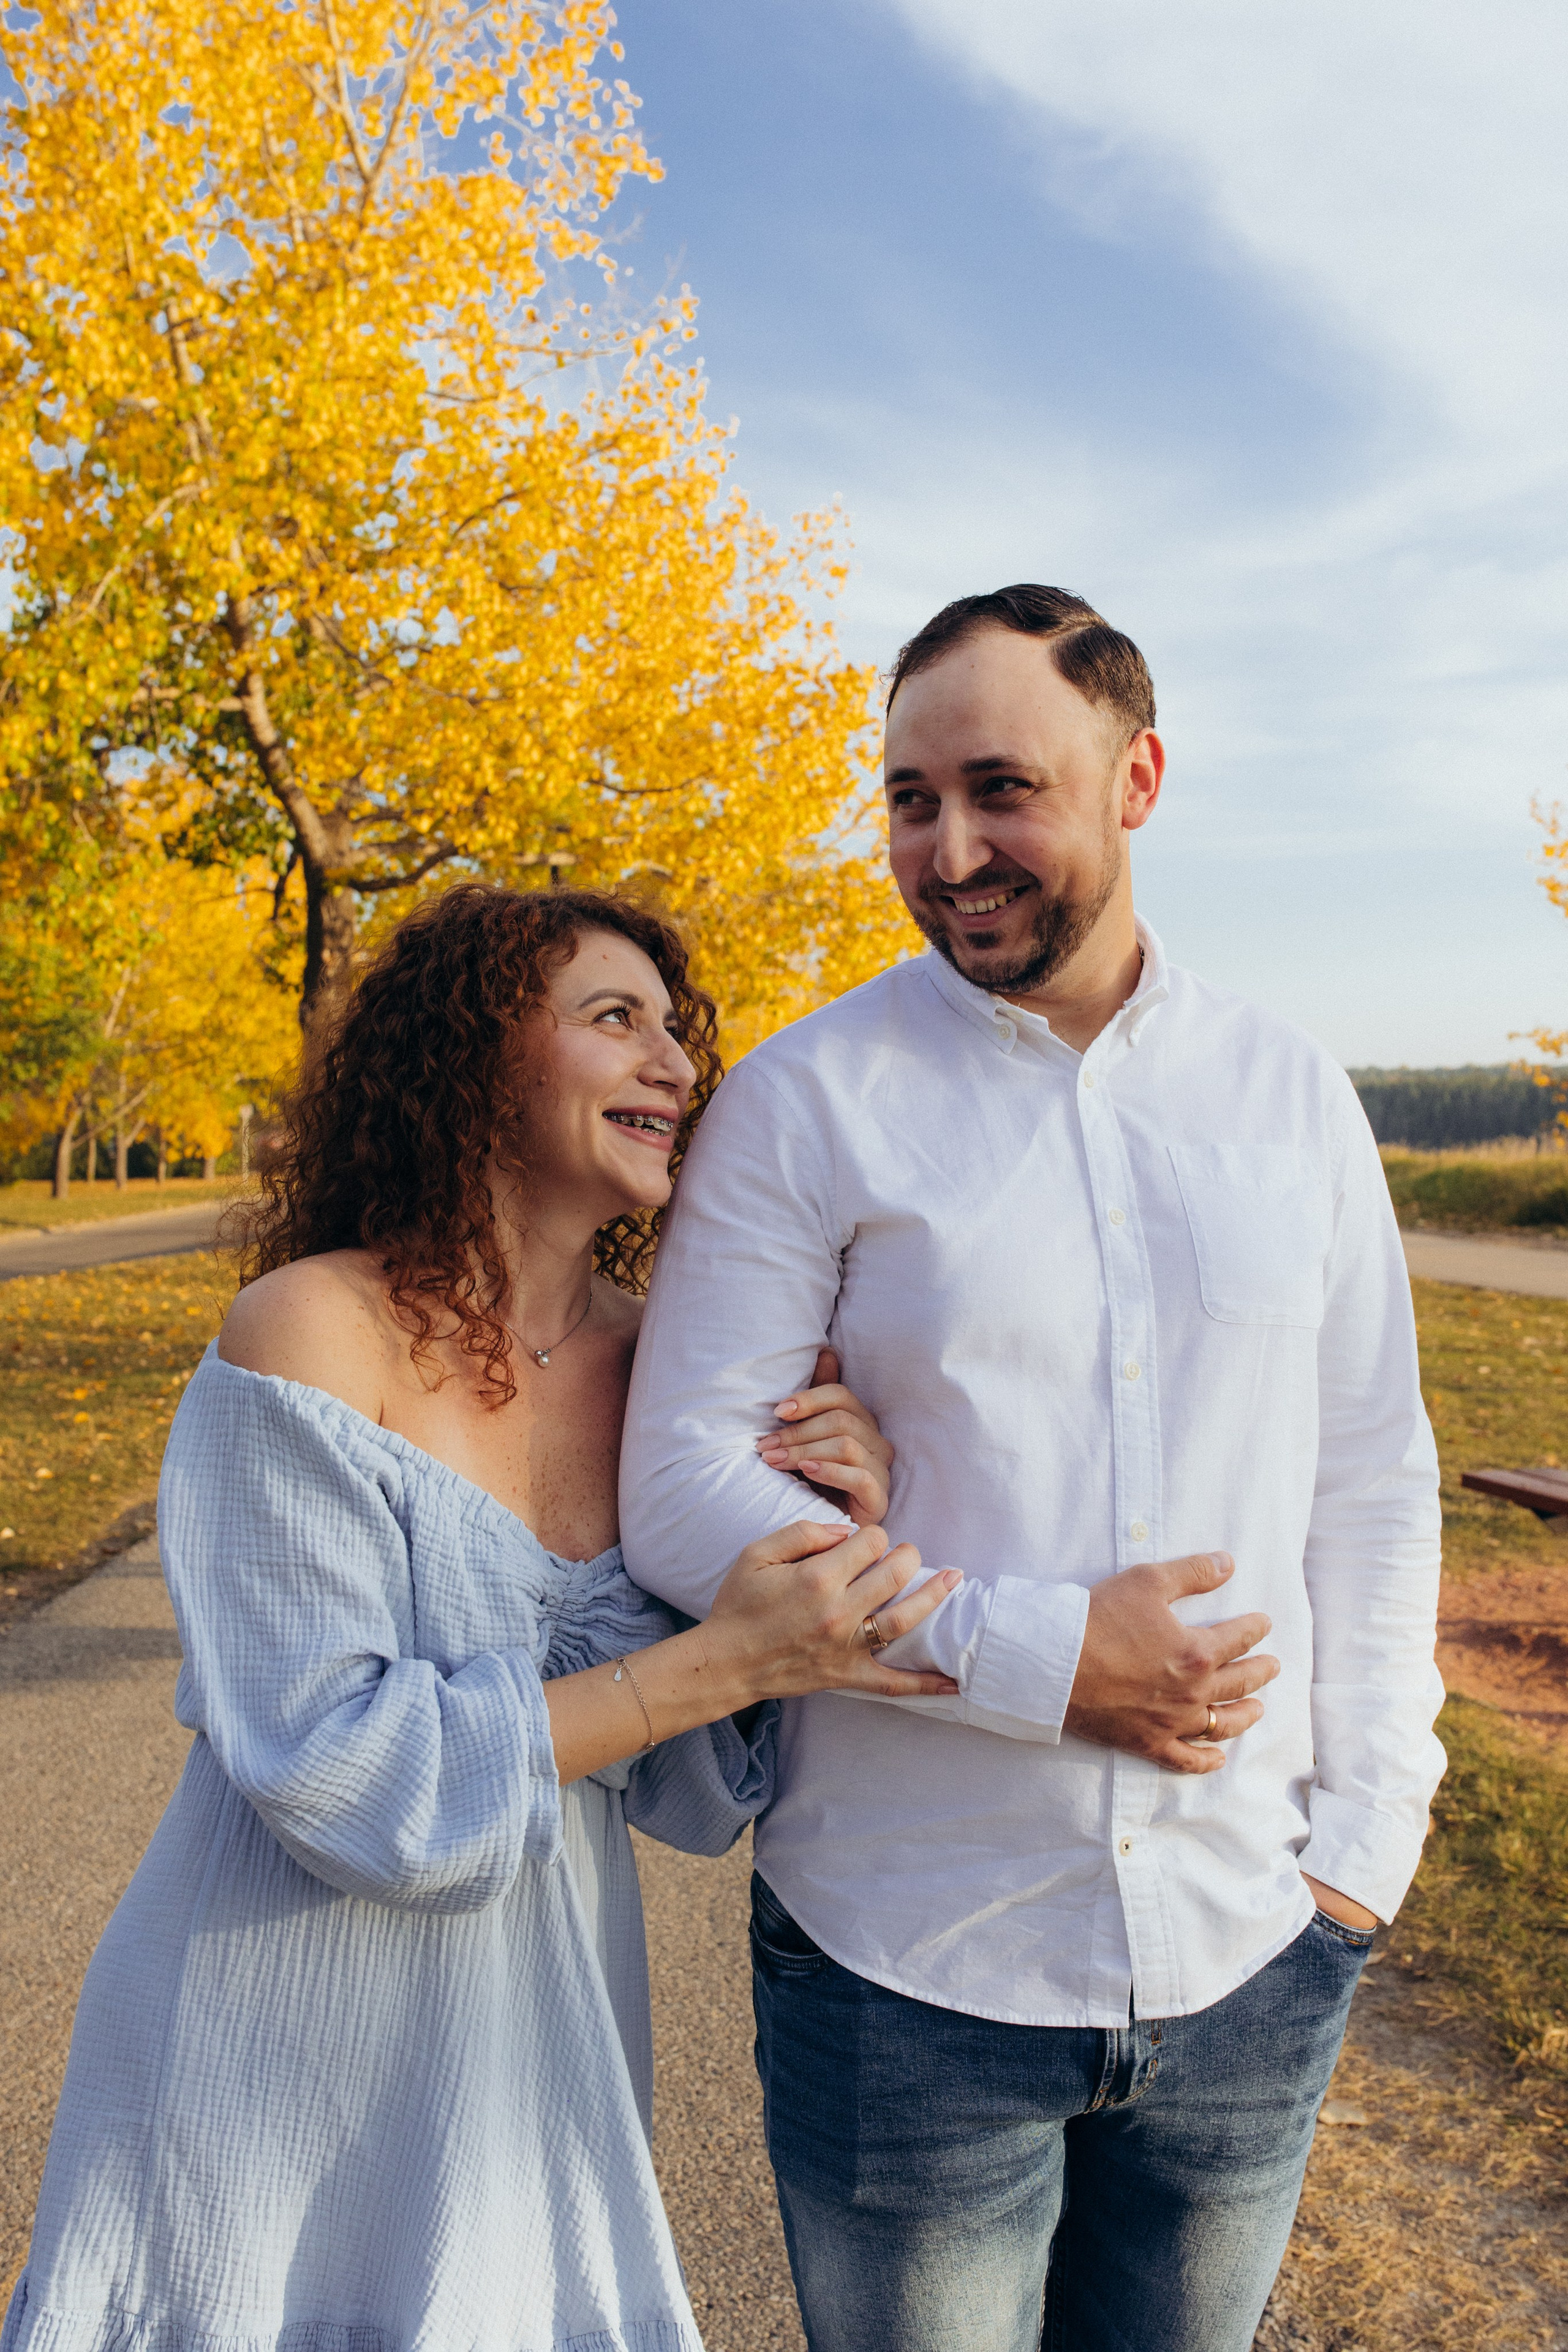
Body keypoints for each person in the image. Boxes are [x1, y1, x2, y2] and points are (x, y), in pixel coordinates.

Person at [619, 585, 1446, 2352]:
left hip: (1254, 1940)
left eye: (1002, 787)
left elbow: (1371, 1477)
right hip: (907, 1967)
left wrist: (1367, 1844)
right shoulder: (803, 1099)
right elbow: (686, 1485)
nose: (948, 846)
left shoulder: (1291, 1094)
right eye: (910, 800)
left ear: (1137, 776)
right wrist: (1044, 1662)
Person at [2, 884, 959, 2352]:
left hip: (537, 2035)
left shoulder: (678, 1375)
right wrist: (709, 1662)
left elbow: (711, 1774)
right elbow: (330, 1761)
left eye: (676, 1033)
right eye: (612, 1020)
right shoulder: (311, 1328)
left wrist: (847, 1514)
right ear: (476, 1060)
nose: (673, 1067)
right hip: (268, 2024)